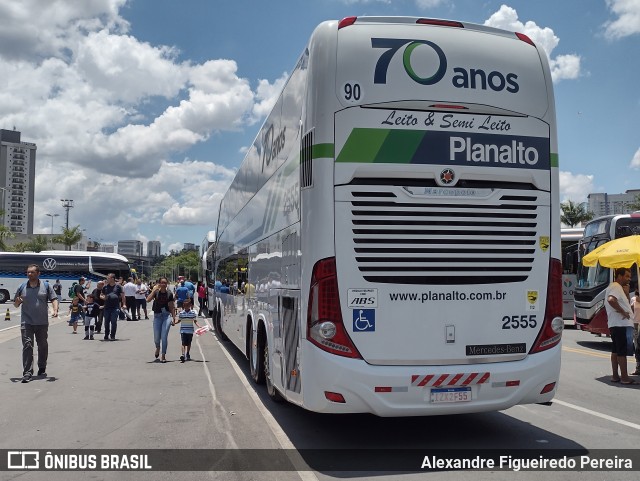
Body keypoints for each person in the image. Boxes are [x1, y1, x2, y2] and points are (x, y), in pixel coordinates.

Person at [14, 264, 59, 383]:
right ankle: (27, 373)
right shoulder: (22, 286)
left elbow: (54, 299)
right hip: (26, 322)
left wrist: (55, 310)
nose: (30, 274)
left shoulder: (46, 286)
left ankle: (42, 366)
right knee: (27, 345)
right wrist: (17, 301)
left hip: (42, 322)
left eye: (32, 272)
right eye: (28, 272)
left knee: (42, 345)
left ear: (38, 273)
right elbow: (16, 304)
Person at [604, 267, 636, 385]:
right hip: (620, 324)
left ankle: (615, 376)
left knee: (616, 350)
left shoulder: (617, 288)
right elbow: (611, 300)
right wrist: (623, 312)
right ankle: (624, 377)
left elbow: (621, 302)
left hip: (616, 324)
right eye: (627, 276)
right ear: (619, 276)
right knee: (622, 351)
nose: (629, 279)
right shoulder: (616, 287)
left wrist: (627, 294)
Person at [147, 277, 176, 363]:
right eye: (162, 283)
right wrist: (154, 290)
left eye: (165, 283)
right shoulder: (156, 292)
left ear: (167, 284)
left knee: (164, 336)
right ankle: (158, 347)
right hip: (157, 316)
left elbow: (171, 306)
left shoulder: (169, 294)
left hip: (166, 316)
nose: (163, 284)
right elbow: (148, 300)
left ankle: (163, 355)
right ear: (159, 283)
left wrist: (174, 318)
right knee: (156, 337)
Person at [172, 298, 201, 362]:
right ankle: (183, 354)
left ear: (190, 305)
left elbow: (195, 321)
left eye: (188, 305)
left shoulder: (193, 313)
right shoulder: (181, 313)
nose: (186, 307)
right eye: (185, 306)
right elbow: (179, 321)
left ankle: (187, 353)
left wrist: (199, 326)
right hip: (183, 331)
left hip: (190, 331)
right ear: (183, 306)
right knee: (183, 343)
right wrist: (174, 323)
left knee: (189, 343)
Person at [100, 273, 126, 341]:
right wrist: (103, 298)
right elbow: (101, 295)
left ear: (112, 279)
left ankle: (113, 335)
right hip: (107, 307)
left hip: (115, 307)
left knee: (113, 321)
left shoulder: (118, 286)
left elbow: (123, 295)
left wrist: (124, 304)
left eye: (108, 278)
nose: (107, 279)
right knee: (106, 322)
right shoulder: (105, 287)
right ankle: (106, 334)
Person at [631, 286, 640, 376]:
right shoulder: (633, 299)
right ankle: (638, 367)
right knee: (637, 346)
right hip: (636, 324)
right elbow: (631, 311)